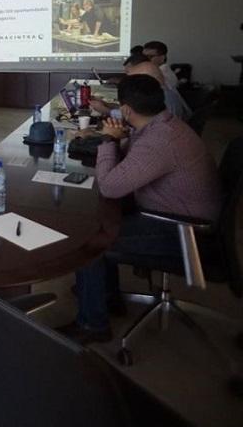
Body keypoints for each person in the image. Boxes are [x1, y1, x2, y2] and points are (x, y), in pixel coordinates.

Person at [60, 74, 222, 343]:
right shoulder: (163, 125)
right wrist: (118, 136)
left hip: (184, 231)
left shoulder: (159, 142)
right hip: (182, 216)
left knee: (91, 242)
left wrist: (108, 141)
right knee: (105, 218)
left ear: (125, 109)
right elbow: (133, 156)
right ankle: (107, 296)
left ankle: (92, 325)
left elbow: (110, 186)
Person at [90, 58, 192, 121]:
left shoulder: (161, 100)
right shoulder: (162, 92)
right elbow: (136, 109)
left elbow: (136, 117)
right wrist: (107, 104)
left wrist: (106, 111)